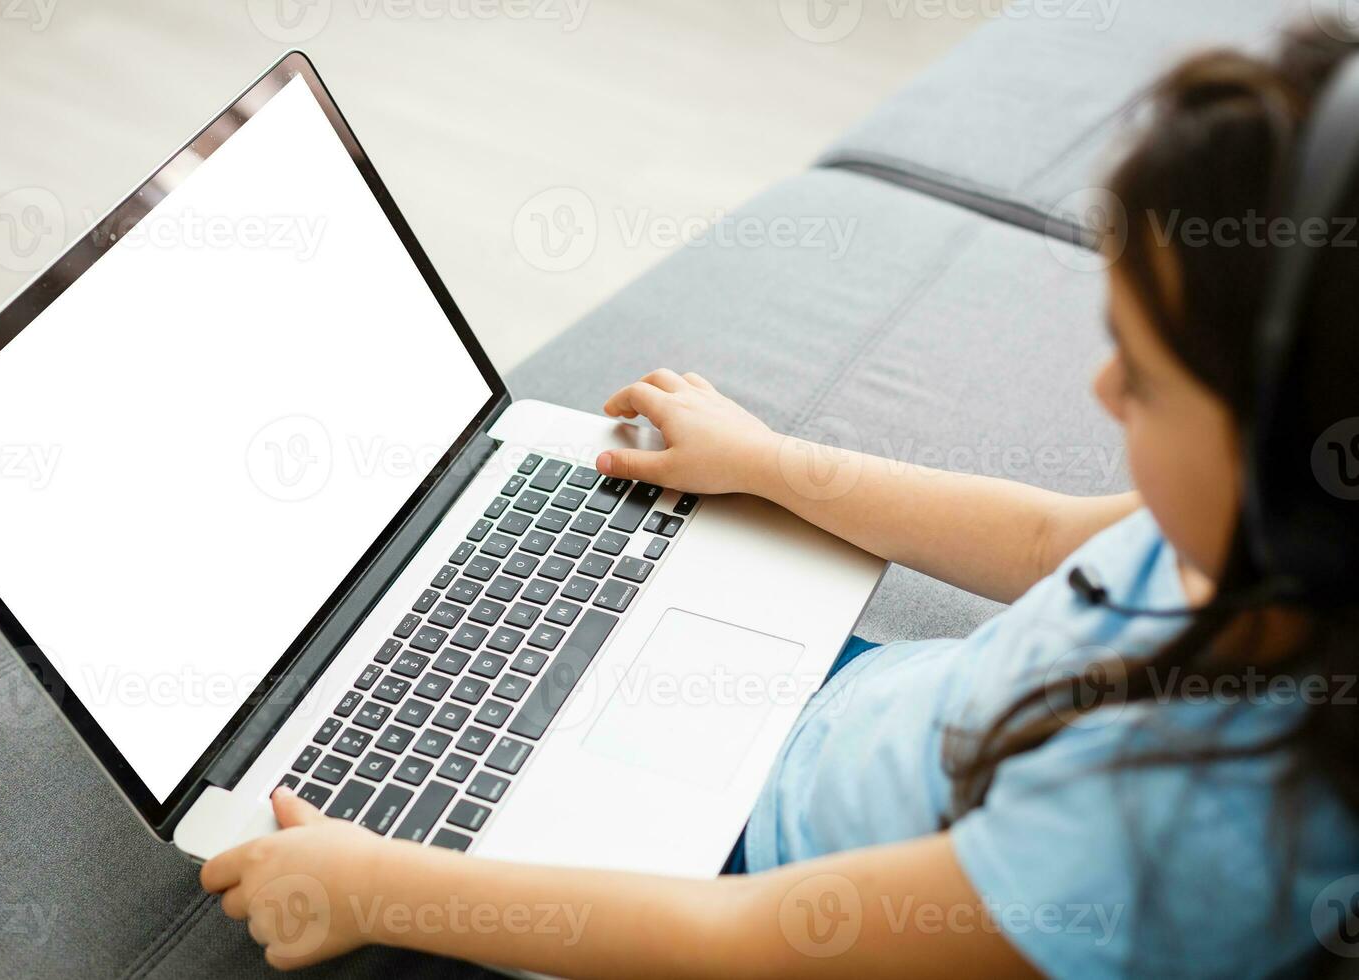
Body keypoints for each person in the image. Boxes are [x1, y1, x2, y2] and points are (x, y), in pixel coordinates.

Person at [187, 26, 1357, 977]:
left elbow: (758, 937)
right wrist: (770, 464)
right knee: (574, 580)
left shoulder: (1179, 829)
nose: (1106, 389)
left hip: (755, 887)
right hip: (843, 727)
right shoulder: (1251, 545)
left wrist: (380, 887)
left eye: (1145, 380)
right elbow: (1048, 538)